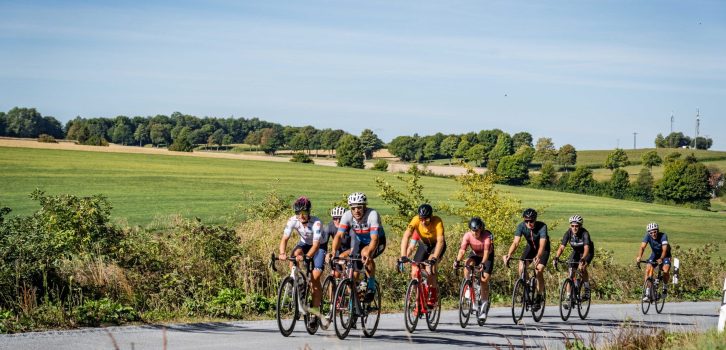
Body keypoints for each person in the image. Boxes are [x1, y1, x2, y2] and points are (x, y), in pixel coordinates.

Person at [277, 196, 326, 326]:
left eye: (304, 213)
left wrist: (306, 257)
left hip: (319, 246)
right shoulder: (293, 220)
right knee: (293, 256)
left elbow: (315, 246)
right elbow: (284, 239)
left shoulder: (316, 223)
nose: (301, 216)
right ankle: (298, 282)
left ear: (309, 212)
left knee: (315, 279)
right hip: (304, 243)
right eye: (298, 213)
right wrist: (282, 253)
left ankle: (315, 313)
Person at [334, 192, 386, 301]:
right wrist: (333, 251)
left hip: (377, 241)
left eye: (359, 207)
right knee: (353, 270)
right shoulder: (347, 215)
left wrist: (369, 254)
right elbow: (339, 235)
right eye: (353, 208)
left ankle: (371, 285)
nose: (356, 211)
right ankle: (356, 298)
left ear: (365, 207)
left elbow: (374, 239)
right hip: (360, 241)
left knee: (366, 254)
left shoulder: (372, 215)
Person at [503, 208, 550, 310]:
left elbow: (542, 244)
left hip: (543, 249)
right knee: (521, 267)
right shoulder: (521, 226)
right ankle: (528, 286)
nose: (529, 223)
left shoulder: (542, 226)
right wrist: (509, 254)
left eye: (531, 221)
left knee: (539, 271)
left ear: (535, 220)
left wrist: (538, 257)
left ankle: (539, 296)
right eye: (526, 221)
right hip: (530, 248)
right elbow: (516, 242)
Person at [399, 203, 446, 306]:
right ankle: (418, 298)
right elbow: (406, 237)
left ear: (431, 217)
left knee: (430, 267)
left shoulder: (437, 221)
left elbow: (440, 241)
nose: (424, 222)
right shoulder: (415, 220)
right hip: (424, 245)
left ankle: (432, 295)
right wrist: (403, 255)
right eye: (421, 219)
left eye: (427, 219)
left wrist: (435, 257)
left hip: (436, 245)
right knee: (415, 270)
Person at [453, 217, 494, 319]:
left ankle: (483, 308)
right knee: (467, 264)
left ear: (481, 229)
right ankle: (468, 285)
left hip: (487, 257)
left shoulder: (487, 236)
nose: (475, 233)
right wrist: (457, 261)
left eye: (477, 231)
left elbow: (486, 253)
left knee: (484, 280)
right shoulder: (467, 236)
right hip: (475, 254)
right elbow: (462, 250)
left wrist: (483, 263)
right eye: (473, 231)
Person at [553, 215, 594, 305]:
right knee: (570, 273)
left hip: (587, 252)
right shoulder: (568, 233)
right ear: (570, 226)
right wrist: (556, 257)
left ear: (580, 226)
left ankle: (586, 288)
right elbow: (561, 247)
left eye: (576, 226)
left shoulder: (585, 233)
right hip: (576, 251)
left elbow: (586, 248)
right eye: (572, 226)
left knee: (582, 268)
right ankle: (568, 297)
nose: (574, 228)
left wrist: (583, 259)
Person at [635, 222, 671, 301]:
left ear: (657, 231)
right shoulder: (647, 236)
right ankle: (648, 293)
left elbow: (664, 249)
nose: (653, 234)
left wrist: (661, 258)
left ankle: (665, 287)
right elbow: (642, 247)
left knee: (666, 270)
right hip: (655, 254)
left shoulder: (663, 236)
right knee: (648, 269)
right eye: (651, 233)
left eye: (655, 232)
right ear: (648, 233)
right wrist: (639, 257)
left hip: (665, 255)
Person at [325, 206, 350, 279]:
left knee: (349, 276)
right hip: (339, 250)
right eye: (335, 218)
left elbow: (355, 245)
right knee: (335, 275)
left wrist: (346, 254)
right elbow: (323, 244)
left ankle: (350, 288)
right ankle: (334, 289)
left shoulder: (351, 227)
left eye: (340, 218)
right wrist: (327, 254)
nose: (338, 221)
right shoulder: (330, 226)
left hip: (351, 249)